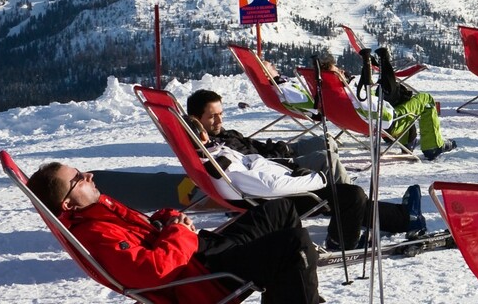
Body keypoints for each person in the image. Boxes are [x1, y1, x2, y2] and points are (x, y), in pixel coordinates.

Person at [27, 161, 320, 304]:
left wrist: (171, 219)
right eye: (78, 178)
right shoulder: (95, 233)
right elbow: (153, 271)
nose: (88, 175)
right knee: (292, 245)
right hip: (201, 278)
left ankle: (294, 295)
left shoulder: (97, 210)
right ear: (67, 203)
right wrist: (179, 233)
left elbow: (146, 227)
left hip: (197, 254)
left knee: (280, 209)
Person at [186, 117, 426, 250]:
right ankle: (343, 241)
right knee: (351, 196)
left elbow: (258, 167)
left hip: (284, 184)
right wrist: (314, 179)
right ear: (199, 136)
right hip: (280, 197)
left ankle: (404, 217)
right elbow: (268, 186)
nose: (209, 130)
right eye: (199, 129)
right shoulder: (222, 161)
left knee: (348, 199)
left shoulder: (217, 152)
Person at [186, 88, 351, 185]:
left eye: (221, 114)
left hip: (275, 154)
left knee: (326, 141)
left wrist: (277, 147)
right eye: (212, 116)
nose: (219, 120)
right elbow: (255, 163)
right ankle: (357, 207)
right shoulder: (217, 148)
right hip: (277, 167)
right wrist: (279, 152)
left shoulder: (223, 134)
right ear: (196, 119)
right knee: (328, 159)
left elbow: (254, 148)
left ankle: (336, 188)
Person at [318, 49, 457, 161]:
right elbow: (385, 115)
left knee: (390, 93)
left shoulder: (330, 96)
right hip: (388, 124)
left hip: (361, 123)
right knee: (426, 99)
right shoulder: (351, 96)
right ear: (334, 78)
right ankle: (433, 146)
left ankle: (407, 141)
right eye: (338, 71)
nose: (342, 71)